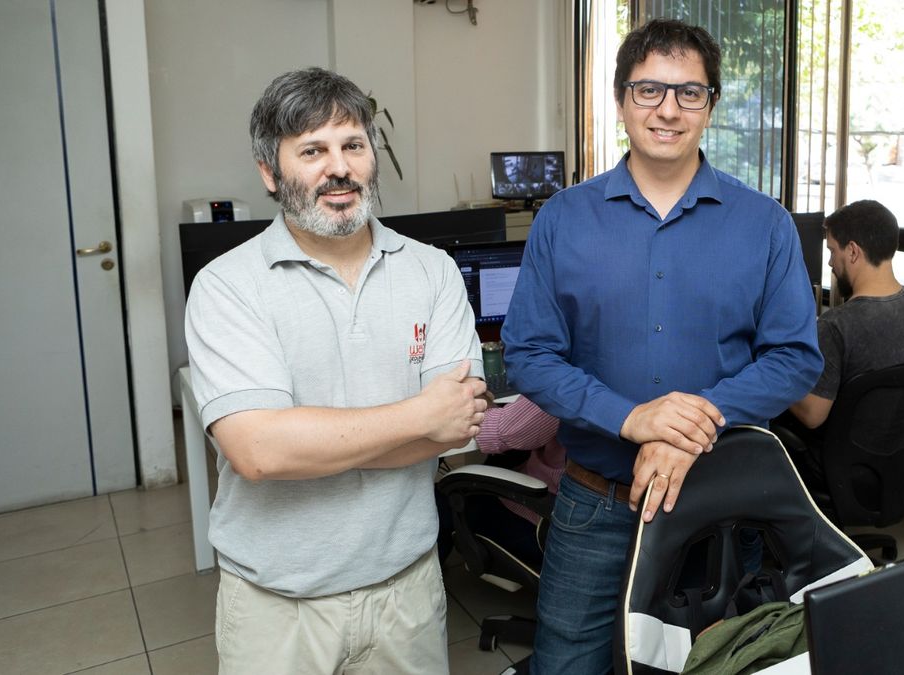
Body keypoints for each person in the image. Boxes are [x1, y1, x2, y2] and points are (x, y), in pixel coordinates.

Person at [500, 19, 823, 673]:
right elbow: (528, 352)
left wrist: (688, 422)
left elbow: (796, 357)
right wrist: (632, 417)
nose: (668, 110)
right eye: (649, 90)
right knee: (567, 664)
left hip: (721, 507)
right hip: (597, 503)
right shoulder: (564, 218)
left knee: (716, 664)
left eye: (689, 93)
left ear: (710, 106)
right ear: (620, 100)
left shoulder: (765, 224)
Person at [184, 67, 487, 674]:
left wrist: (310, 441)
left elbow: (455, 428)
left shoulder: (431, 272)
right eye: (313, 151)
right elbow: (259, 453)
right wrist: (416, 416)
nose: (339, 168)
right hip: (277, 608)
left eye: (353, 146)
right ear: (270, 172)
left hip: (407, 592)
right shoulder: (227, 286)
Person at [779, 199, 904, 475]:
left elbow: (812, 416)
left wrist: (773, 369)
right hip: (896, 467)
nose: (831, 262)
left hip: (839, 470)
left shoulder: (836, 326)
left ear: (853, 251)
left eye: (832, 251)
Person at [437, 396, 566, 568]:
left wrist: (482, 399)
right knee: (505, 459)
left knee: (440, 499)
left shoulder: (565, 384)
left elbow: (497, 431)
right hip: (598, 516)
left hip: (551, 527)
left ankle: (425, 587)